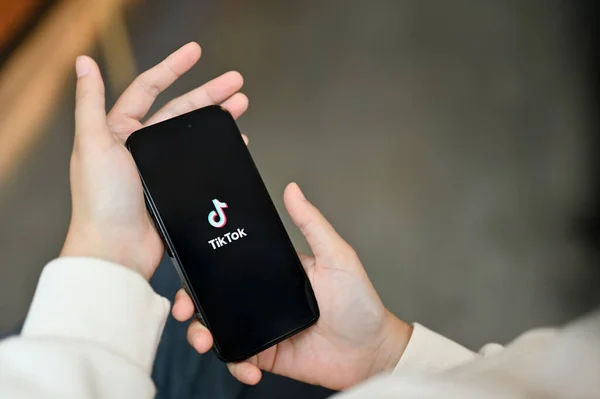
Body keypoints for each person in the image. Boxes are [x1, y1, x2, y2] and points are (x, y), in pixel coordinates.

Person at [0, 42, 598, 398]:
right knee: (182, 291)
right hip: (368, 372)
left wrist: (103, 251)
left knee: (169, 292)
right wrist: (389, 353)